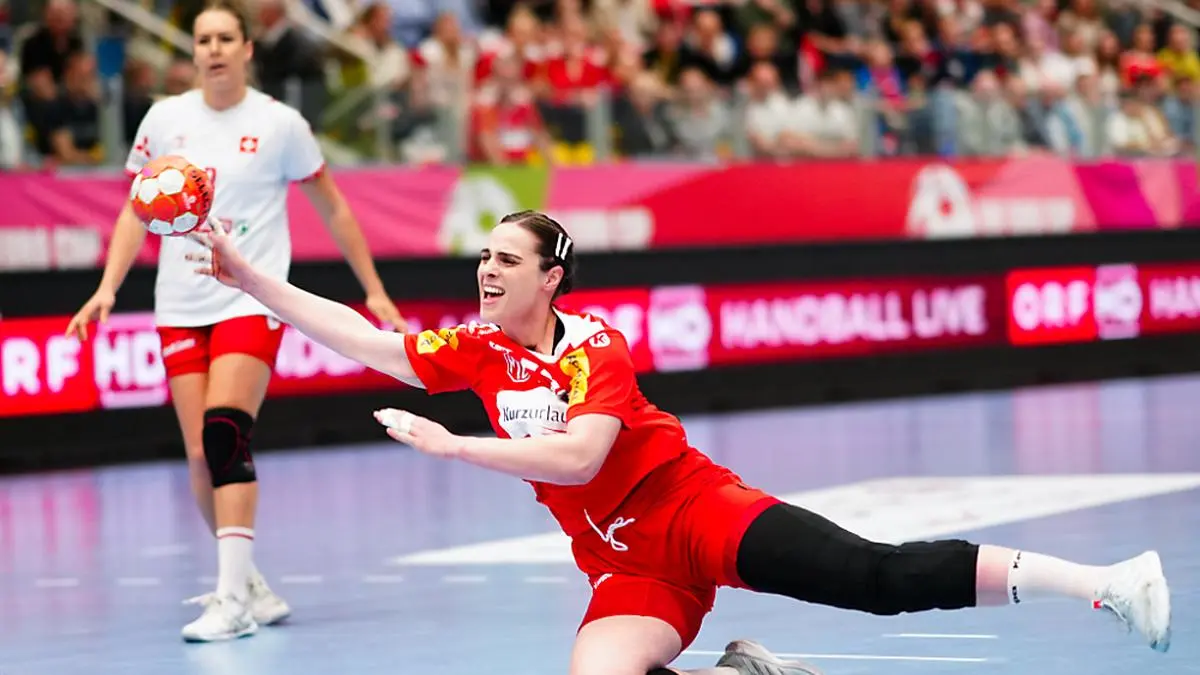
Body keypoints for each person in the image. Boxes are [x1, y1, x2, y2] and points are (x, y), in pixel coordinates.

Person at [186, 210, 1172, 674]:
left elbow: (579, 457)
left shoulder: (594, 349)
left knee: (878, 578)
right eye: (482, 256)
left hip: (699, 514)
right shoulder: (477, 350)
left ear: (550, 278)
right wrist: (250, 277)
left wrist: (456, 450)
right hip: (625, 567)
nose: (485, 270)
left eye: (506, 260)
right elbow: (367, 340)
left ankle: (1106, 583)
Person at [64, 0, 407, 644]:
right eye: (204, 39)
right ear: (193, 51)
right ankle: (248, 583)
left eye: (226, 38)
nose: (214, 49)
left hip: (251, 297)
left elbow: (334, 208)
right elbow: (135, 210)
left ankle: (231, 600)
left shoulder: (280, 124)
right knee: (200, 453)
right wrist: (107, 288)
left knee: (225, 431)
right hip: (180, 303)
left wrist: (375, 288)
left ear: (247, 49)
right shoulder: (165, 119)